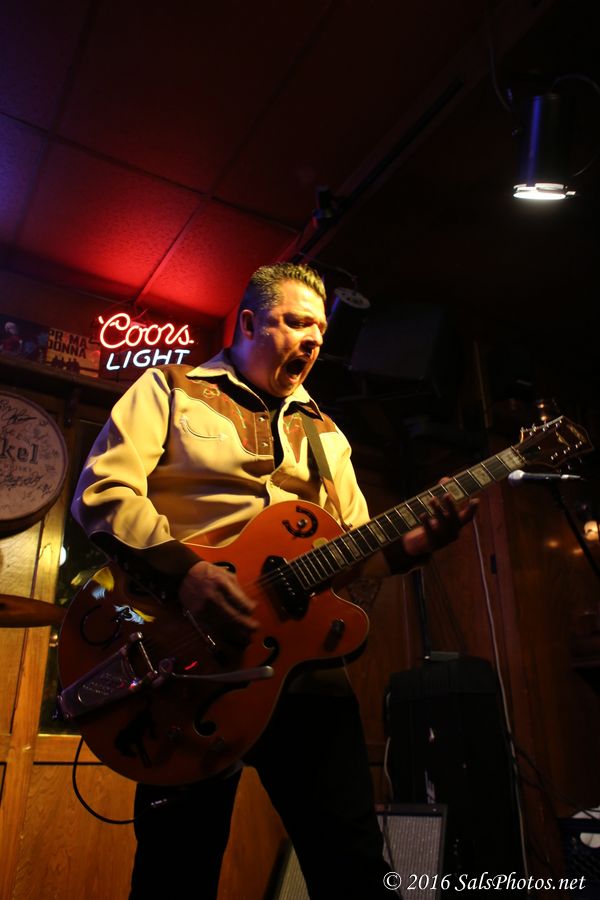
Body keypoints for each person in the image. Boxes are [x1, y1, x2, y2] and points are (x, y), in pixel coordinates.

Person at [71, 263, 477, 899]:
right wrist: (187, 573)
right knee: (176, 873)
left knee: (352, 864)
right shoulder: (171, 388)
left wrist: (415, 547)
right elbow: (103, 492)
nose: (311, 339)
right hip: (190, 663)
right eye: (294, 322)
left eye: (318, 330)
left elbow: (354, 549)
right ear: (249, 323)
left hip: (303, 667)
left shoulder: (328, 435)